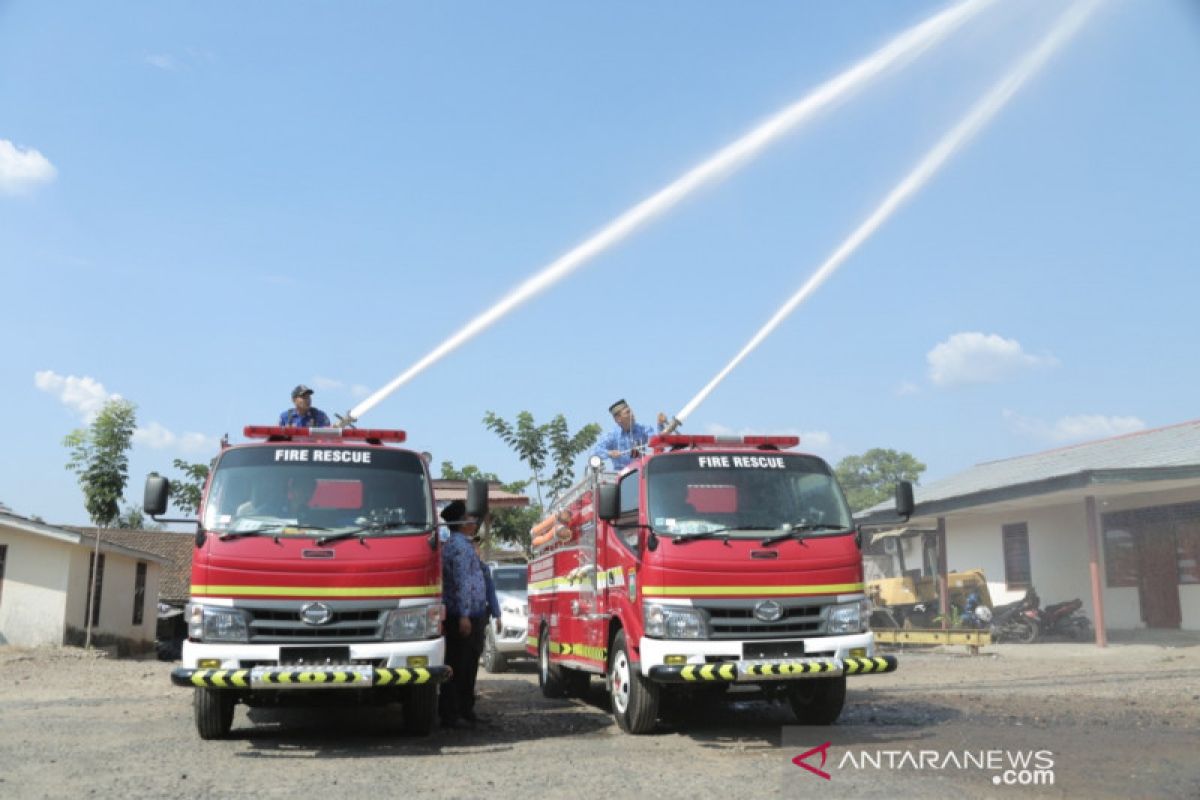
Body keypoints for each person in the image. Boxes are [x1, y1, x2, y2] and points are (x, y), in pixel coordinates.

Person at [438, 500, 489, 728]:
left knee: (468, 665)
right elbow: (461, 583)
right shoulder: (458, 547)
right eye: (469, 516)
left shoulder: (463, 545)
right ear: (460, 521)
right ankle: (453, 713)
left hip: (471, 613)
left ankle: (465, 710)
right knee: (460, 666)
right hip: (463, 615)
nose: (474, 521)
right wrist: (465, 616)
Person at [592, 399, 668, 470]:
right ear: (618, 419)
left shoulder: (644, 430)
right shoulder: (612, 436)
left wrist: (660, 425)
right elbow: (596, 451)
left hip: (640, 473)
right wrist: (610, 453)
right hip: (621, 479)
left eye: (631, 411)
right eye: (627, 412)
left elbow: (657, 443)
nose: (632, 414)